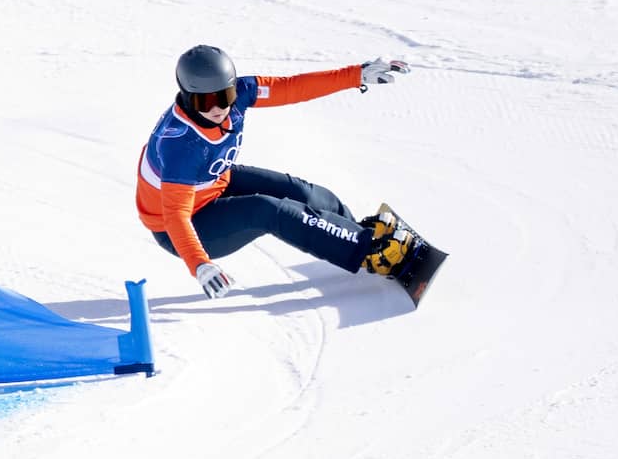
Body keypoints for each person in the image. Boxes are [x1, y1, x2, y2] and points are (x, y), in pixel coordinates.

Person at [135, 44, 416, 298]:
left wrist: (355, 75)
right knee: (267, 211)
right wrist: (199, 264)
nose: (219, 108)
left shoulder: (240, 95)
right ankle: (368, 252)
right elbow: (176, 215)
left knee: (300, 191)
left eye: (225, 96)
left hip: (213, 183)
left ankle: (355, 231)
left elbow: (292, 87)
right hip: (181, 228)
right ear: (188, 98)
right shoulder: (181, 146)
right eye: (205, 102)